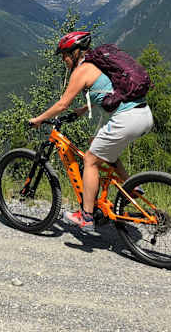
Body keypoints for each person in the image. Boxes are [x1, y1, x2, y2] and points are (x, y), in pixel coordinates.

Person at [28, 31, 153, 232]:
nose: (64, 60)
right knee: (98, 145)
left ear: (75, 52)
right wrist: (83, 109)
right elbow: (110, 90)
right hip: (144, 115)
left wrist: (38, 119)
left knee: (90, 160)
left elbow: (62, 104)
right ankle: (131, 187)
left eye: (65, 55)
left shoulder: (82, 71)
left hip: (127, 119)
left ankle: (86, 216)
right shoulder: (100, 65)